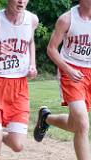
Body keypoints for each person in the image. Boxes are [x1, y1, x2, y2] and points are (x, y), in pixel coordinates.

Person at [0, 0, 38, 159]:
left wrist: (32, 64)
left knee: (17, 145)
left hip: (19, 86)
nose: (21, 1)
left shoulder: (32, 20)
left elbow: (30, 41)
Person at [33, 1, 91, 160]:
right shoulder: (67, 19)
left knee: (75, 125)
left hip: (89, 72)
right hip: (70, 71)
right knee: (83, 125)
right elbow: (51, 49)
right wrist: (68, 70)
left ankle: (46, 118)